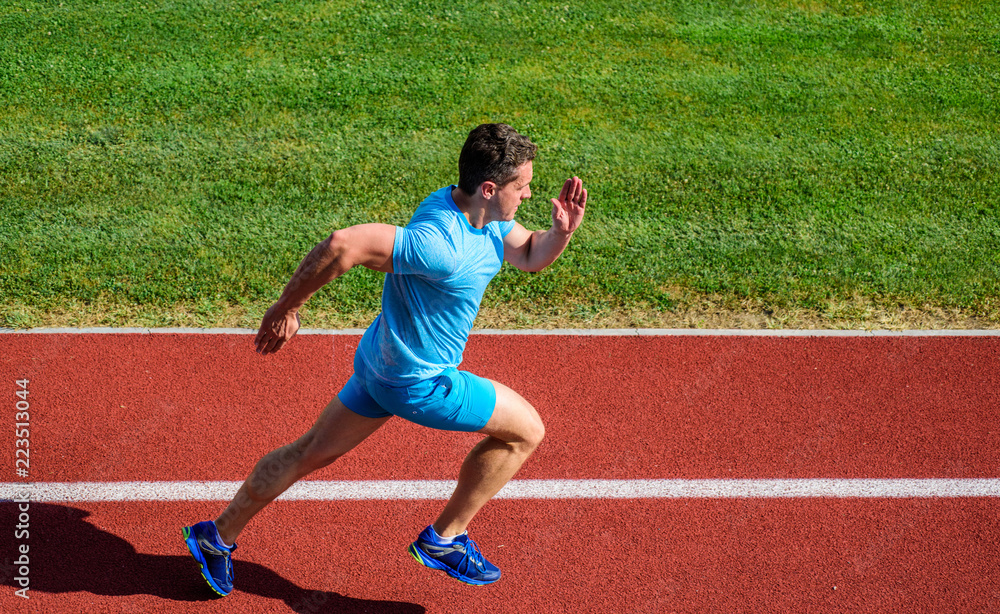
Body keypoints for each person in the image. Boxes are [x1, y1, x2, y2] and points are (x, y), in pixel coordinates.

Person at [182, 123, 587, 595]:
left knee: (309, 451)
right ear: (490, 188)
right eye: (523, 186)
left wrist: (560, 234)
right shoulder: (440, 244)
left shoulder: (480, 212)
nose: (531, 194)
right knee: (527, 431)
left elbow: (531, 255)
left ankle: (218, 534)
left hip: (379, 364)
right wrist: (285, 307)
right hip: (418, 382)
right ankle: (444, 540)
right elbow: (342, 244)